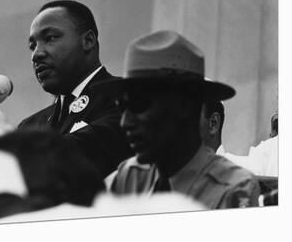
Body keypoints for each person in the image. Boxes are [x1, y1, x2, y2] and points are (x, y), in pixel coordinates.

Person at [100, 30, 260, 209]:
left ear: (184, 105)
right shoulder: (128, 179)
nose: (125, 122)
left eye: (139, 104)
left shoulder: (232, 190)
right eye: (122, 107)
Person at [19, 0, 132, 176]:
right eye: (32, 46)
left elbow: (82, 153)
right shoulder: (30, 126)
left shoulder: (124, 97)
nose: (36, 54)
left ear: (88, 41)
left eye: (50, 38)